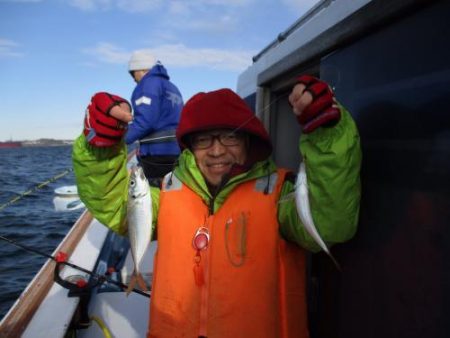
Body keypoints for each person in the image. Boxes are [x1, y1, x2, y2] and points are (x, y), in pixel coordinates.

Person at [72, 75, 361, 338]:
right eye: (203, 140)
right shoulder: (167, 197)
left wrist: (328, 135)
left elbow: (330, 223)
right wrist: (99, 149)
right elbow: (114, 203)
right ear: (189, 148)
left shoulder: (279, 197)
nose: (217, 149)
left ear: (249, 141)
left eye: (231, 136)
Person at [127, 50, 184, 186]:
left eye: (132, 73)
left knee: (154, 196)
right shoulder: (172, 87)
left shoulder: (146, 85)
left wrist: (119, 138)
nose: (133, 79)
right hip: (176, 152)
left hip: (156, 155)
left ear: (141, 69)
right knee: (172, 192)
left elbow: (146, 121)